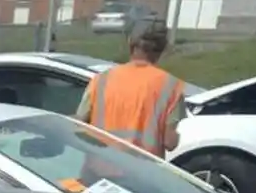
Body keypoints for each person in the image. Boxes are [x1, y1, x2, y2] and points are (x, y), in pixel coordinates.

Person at [74, 21, 184, 157]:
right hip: (141, 171)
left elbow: (78, 124)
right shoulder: (171, 86)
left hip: (99, 167)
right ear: (163, 48)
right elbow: (170, 142)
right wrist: (177, 137)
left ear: (130, 43)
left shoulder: (101, 80)